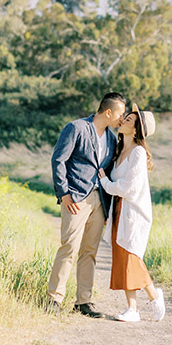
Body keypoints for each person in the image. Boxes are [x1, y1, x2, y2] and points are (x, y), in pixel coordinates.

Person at [47, 92, 127, 317]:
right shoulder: (76, 128)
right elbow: (58, 160)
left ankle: (83, 301)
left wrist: (106, 207)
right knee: (69, 248)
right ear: (109, 112)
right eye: (121, 113)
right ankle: (54, 299)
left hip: (99, 202)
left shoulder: (112, 138)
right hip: (75, 199)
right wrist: (64, 194)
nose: (123, 117)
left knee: (90, 252)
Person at [98, 103, 166, 322]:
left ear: (136, 130)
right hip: (119, 210)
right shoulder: (119, 151)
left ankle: (154, 297)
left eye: (129, 120)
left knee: (132, 257)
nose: (124, 120)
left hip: (134, 213)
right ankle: (132, 309)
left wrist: (105, 182)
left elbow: (128, 187)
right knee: (123, 258)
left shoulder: (137, 153)